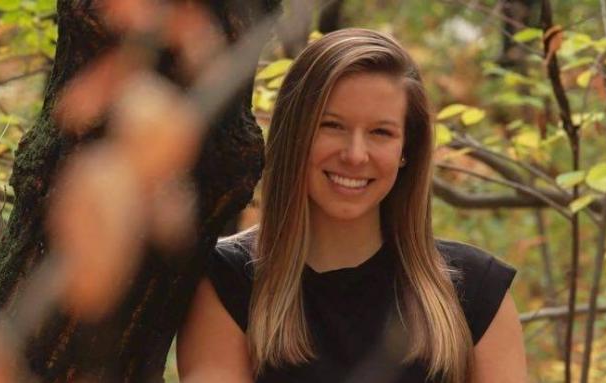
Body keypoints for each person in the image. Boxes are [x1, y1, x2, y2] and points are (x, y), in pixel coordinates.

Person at [177, 28, 527, 383]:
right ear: (295, 133)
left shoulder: (477, 293)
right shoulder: (228, 282)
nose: (355, 155)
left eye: (381, 133)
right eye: (332, 126)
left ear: (406, 150)